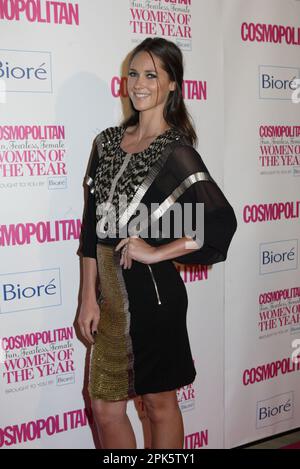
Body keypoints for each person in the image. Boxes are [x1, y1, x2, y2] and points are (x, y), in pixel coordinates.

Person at [78, 37, 237, 450]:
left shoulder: (177, 151)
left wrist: (157, 250)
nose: (139, 83)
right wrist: (87, 297)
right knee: (105, 408)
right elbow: (91, 226)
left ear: (171, 85)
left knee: (158, 403)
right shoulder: (107, 143)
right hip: (110, 301)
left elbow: (218, 221)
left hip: (154, 297)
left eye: (152, 74)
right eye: (134, 73)